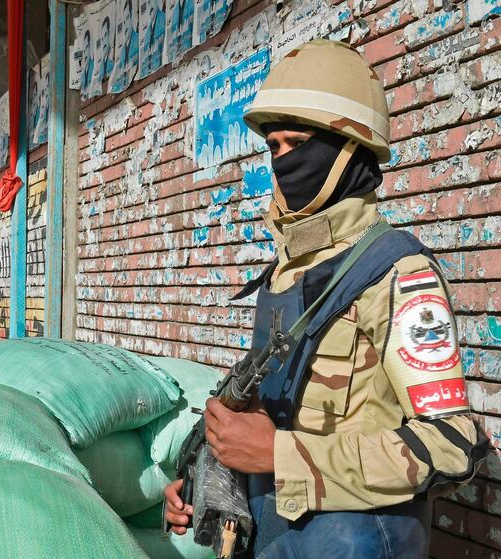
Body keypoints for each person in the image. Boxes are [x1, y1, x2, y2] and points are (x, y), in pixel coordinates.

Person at [163, 40, 485, 558]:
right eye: (274, 147)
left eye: (298, 144)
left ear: (347, 149)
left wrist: (280, 456)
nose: (284, 161)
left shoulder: (397, 272)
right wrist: (211, 474)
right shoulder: (288, 268)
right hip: (276, 535)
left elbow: (453, 443)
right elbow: (280, 412)